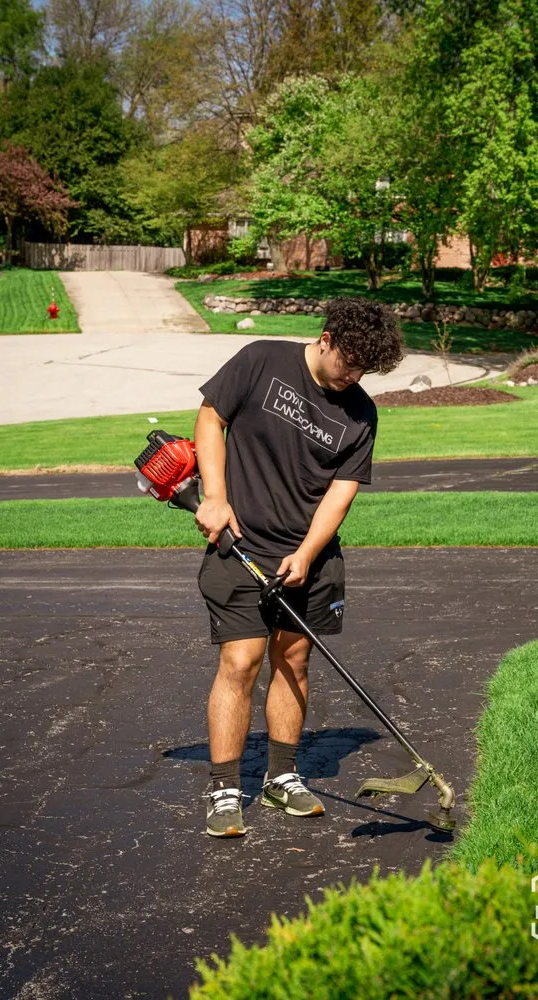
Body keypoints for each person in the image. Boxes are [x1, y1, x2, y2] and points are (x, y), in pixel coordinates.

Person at [193, 296, 403, 837]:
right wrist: (214, 496)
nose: (353, 376)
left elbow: (343, 488)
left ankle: (281, 777)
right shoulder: (262, 360)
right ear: (327, 338)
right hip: (241, 543)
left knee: (294, 660)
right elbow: (212, 417)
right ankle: (223, 788)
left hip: (308, 553)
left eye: (364, 370)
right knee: (241, 662)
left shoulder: (360, 411)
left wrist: (308, 553)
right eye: (348, 363)